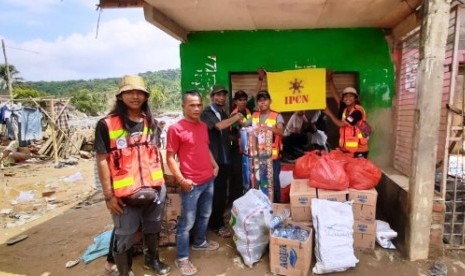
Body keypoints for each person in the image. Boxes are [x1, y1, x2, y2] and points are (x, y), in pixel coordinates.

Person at [95, 75, 171, 276]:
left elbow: (156, 155)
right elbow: (102, 160)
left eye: (140, 93)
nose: (135, 96)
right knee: (126, 235)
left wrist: (163, 182)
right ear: (120, 96)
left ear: (146, 97)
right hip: (124, 195)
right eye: (130, 92)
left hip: (154, 189)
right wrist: (108, 196)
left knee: (153, 227)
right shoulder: (107, 125)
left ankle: (152, 261)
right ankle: (124, 271)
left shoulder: (151, 123)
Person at [166, 90, 220, 276]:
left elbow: (205, 148)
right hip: (191, 184)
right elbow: (170, 158)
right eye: (192, 105)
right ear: (183, 106)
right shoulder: (176, 129)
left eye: (198, 105)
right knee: (187, 222)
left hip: (208, 179)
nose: (196, 108)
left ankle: (199, 242)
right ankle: (182, 258)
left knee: (205, 214)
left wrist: (214, 165)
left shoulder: (203, 126)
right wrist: (181, 179)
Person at [200, 85, 243, 238]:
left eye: (223, 95)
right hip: (214, 161)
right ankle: (216, 225)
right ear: (212, 97)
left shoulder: (223, 112)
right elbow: (219, 126)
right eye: (217, 95)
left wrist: (241, 135)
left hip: (225, 159)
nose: (221, 98)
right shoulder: (207, 113)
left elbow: (226, 134)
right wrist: (236, 117)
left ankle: (217, 220)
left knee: (221, 193)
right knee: (216, 194)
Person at [250, 89, 285, 203]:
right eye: (260, 101)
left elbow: (281, 132)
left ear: (270, 101)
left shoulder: (276, 115)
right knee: (259, 182)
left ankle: (276, 206)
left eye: (265, 100)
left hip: (273, 157)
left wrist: (269, 128)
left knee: (273, 183)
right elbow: (245, 126)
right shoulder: (254, 115)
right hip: (257, 157)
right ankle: (263, 206)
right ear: (257, 103)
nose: (262, 103)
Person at [324, 79, 369, 158]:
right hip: (346, 149)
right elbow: (336, 96)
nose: (348, 98)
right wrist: (330, 80)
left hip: (359, 150)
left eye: (351, 96)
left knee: (356, 170)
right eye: (346, 96)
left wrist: (329, 113)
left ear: (355, 99)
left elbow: (341, 124)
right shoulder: (345, 109)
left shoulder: (357, 112)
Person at [229, 90, 251, 202]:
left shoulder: (247, 110)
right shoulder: (234, 114)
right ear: (235, 101)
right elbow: (245, 125)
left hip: (248, 148)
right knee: (239, 175)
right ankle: (237, 200)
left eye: (244, 99)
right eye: (240, 100)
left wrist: (260, 80)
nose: (242, 102)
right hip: (238, 149)